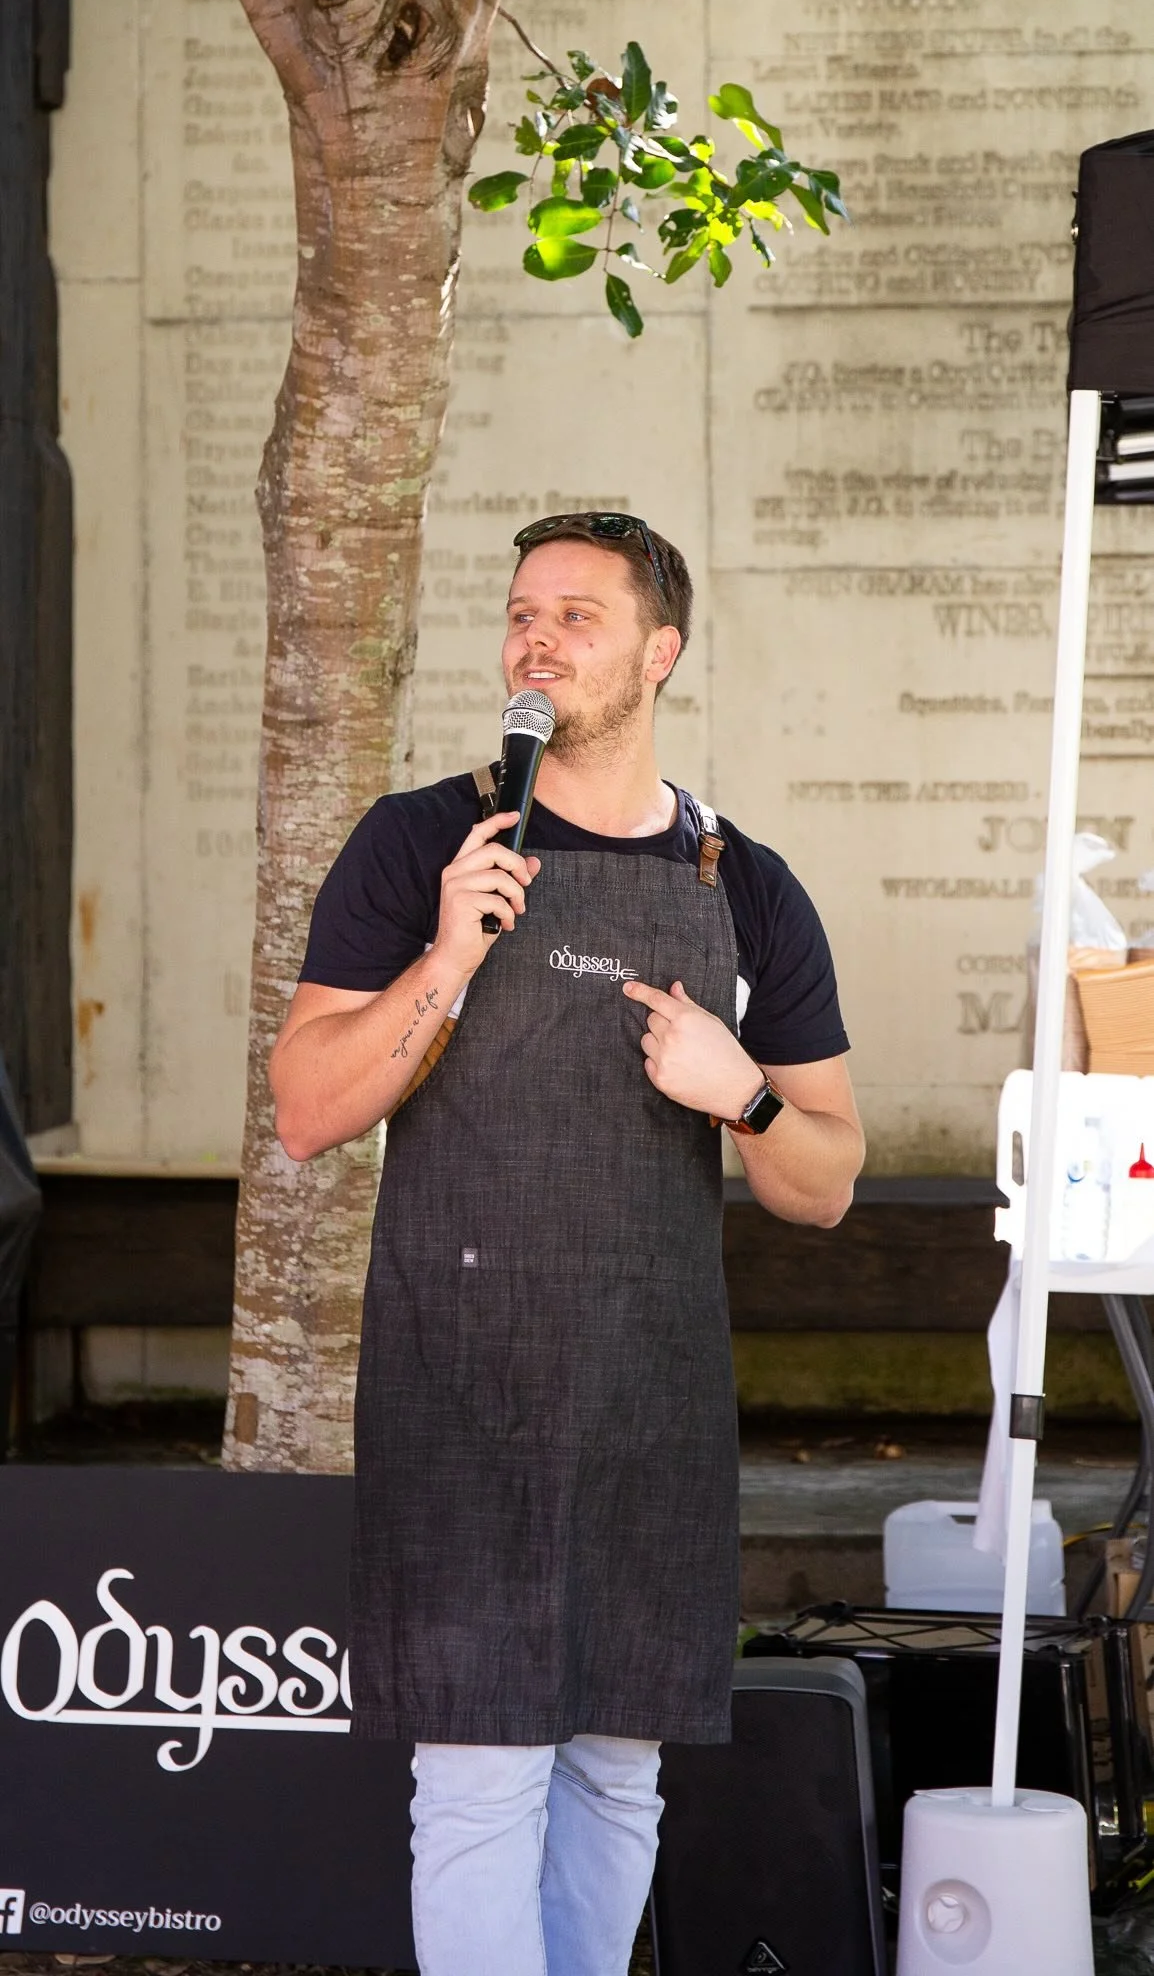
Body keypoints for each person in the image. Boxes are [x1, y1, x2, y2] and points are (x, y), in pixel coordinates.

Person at [270, 512, 865, 1976]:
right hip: (461, 1380)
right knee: (479, 1774)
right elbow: (305, 1110)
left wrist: (742, 1094)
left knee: (615, 1770)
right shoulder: (420, 842)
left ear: (660, 653)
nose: (535, 641)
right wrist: (447, 957)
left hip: (650, 1391)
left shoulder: (746, 885)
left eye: (577, 617)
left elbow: (827, 1182)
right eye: (522, 614)